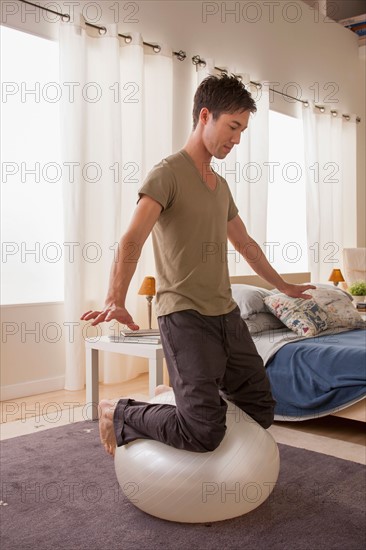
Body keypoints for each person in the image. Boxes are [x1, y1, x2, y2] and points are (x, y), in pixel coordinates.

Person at [81, 74, 314, 457]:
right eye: (232, 126)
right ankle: (117, 411)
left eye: (242, 130)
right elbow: (131, 239)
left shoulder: (220, 187)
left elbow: (246, 243)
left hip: (226, 314)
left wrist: (284, 286)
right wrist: (115, 297)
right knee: (204, 432)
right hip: (184, 316)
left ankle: (178, 399)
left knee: (261, 407)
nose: (237, 139)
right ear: (205, 116)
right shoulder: (167, 174)